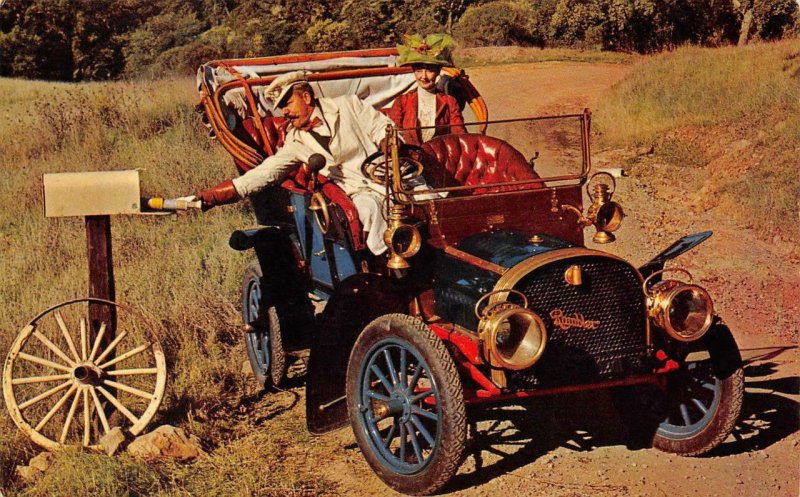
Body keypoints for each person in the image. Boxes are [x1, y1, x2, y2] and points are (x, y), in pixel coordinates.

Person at [194, 71, 399, 255]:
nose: (284, 112)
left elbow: (381, 127)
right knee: (369, 209)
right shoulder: (295, 140)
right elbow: (266, 172)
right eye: (281, 107)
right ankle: (388, 265)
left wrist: (388, 144)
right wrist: (215, 196)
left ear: (306, 97)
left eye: (287, 104)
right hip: (357, 193)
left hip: (390, 176)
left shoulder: (348, 105)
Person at [388, 33, 466, 147]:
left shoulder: (449, 102)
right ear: (413, 71)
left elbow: (460, 137)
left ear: (438, 71)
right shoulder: (402, 102)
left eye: (429, 70)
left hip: (441, 160)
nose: (423, 76)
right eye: (419, 70)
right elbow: (393, 138)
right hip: (410, 162)